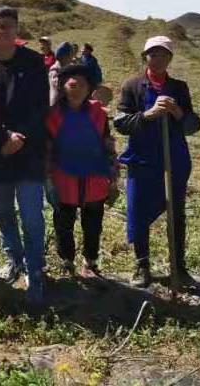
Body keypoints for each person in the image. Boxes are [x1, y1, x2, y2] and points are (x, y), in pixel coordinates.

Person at [0, 6, 49, 304]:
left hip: (29, 150)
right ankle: (14, 259)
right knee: (2, 211)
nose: (2, 31)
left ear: (17, 30)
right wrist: (4, 138)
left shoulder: (34, 62)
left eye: (8, 25)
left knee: (31, 214)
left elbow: (41, 107)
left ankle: (35, 268)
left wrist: (19, 137)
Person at [114, 36, 200, 288]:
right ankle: (142, 265)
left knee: (176, 214)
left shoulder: (179, 87)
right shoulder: (132, 86)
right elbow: (121, 123)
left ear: (170, 58)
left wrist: (177, 112)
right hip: (142, 159)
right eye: (153, 54)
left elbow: (192, 125)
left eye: (163, 54)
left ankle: (179, 267)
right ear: (145, 57)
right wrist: (148, 114)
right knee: (138, 211)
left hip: (173, 159)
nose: (158, 59)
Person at [47, 65, 118, 278]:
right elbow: (47, 149)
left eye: (82, 85)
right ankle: (67, 260)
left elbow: (107, 144)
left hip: (94, 178)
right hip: (64, 179)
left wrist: (113, 177)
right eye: (72, 85)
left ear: (90, 89)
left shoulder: (99, 113)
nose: (77, 89)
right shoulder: (53, 114)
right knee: (63, 224)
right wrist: (48, 178)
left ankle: (91, 261)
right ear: (63, 87)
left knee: (93, 224)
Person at [48, 42, 73, 106]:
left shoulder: (65, 68)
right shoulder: (55, 71)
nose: (71, 58)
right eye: (70, 55)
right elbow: (58, 89)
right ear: (64, 57)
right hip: (58, 105)